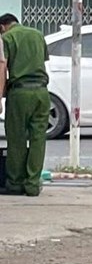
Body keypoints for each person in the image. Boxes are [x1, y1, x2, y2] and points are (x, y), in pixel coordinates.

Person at [0, 14, 50, 196]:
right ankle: (33, 184)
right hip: (42, 92)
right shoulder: (37, 34)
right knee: (38, 138)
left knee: (16, 138)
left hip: (19, 92)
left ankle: (15, 183)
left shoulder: (6, 38)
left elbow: (2, 67)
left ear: (3, 26)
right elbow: (43, 61)